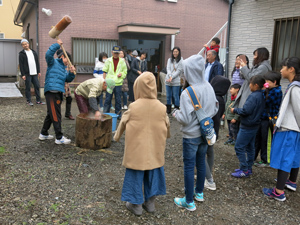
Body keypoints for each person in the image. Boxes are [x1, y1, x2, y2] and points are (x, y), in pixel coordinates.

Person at [114, 72, 170, 216]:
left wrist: (116, 137)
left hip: (136, 150)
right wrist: (166, 136)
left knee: (135, 174)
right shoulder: (161, 107)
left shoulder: (133, 106)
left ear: (137, 87)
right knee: (154, 172)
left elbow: (122, 123)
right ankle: (150, 203)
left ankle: (136, 205)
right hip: (155, 149)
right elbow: (168, 125)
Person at [173, 54, 218, 211]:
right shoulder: (209, 86)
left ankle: (188, 201)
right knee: (200, 163)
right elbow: (216, 108)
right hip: (205, 133)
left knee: (189, 166)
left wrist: (175, 113)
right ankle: (199, 193)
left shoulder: (188, 92)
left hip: (191, 136)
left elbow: (184, 119)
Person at [263, 57, 300, 202]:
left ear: (291, 69)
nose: (281, 70)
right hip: (294, 128)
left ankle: (279, 192)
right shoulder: (295, 86)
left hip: (289, 128)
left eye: (283, 67)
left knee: (284, 157)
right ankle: (291, 182)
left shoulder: (295, 87)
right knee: (294, 156)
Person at [39, 39, 76, 145]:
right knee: (56, 114)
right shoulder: (53, 62)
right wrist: (57, 45)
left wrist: (72, 73)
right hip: (51, 91)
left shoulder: (64, 69)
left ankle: (44, 133)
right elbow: (48, 54)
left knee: (51, 114)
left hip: (58, 92)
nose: (68, 62)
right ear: (62, 57)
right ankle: (59, 137)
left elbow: (67, 79)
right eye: (67, 60)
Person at [230, 75, 266, 178]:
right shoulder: (261, 95)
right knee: (250, 147)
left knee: (239, 147)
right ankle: (248, 168)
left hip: (247, 125)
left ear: (255, 85)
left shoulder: (254, 96)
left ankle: (244, 169)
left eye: (250, 84)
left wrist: (235, 110)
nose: (249, 86)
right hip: (254, 124)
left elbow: (246, 110)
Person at [204, 75, 230, 191]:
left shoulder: (214, 99)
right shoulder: (222, 100)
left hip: (208, 131)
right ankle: (207, 174)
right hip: (214, 131)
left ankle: (209, 179)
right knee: (209, 152)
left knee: (201, 155)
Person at [254, 71, 282, 167]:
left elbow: (266, 100)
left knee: (266, 140)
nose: (266, 83)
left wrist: (263, 89)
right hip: (262, 118)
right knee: (258, 138)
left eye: (268, 82)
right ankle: (254, 157)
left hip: (269, 119)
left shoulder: (277, 91)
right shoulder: (269, 90)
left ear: (274, 82)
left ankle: (266, 160)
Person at [102, 46, 127, 118]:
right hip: (109, 83)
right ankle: (105, 114)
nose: (116, 54)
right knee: (107, 99)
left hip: (118, 83)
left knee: (118, 100)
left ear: (119, 53)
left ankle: (118, 115)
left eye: (117, 53)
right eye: (114, 53)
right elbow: (104, 71)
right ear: (111, 52)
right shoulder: (108, 60)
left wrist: (121, 74)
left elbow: (125, 71)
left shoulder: (122, 61)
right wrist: (104, 81)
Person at [19, 39, 45, 106]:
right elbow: (21, 65)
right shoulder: (22, 54)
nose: (25, 45)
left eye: (26, 43)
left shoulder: (33, 52)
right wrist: (23, 74)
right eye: (24, 44)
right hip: (27, 74)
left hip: (35, 73)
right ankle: (28, 101)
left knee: (37, 86)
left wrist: (38, 71)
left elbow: (37, 62)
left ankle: (38, 100)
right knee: (28, 87)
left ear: (28, 44)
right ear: (22, 46)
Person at [165, 47, 183, 113]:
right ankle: (168, 109)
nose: (175, 53)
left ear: (179, 52)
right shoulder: (169, 60)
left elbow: (179, 71)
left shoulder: (181, 60)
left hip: (176, 81)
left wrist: (172, 77)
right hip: (168, 80)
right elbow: (168, 69)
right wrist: (169, 76)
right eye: (174, 51)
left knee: (175, 95)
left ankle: (176, 109)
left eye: (176, 52)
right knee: (168, 96)